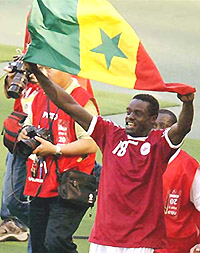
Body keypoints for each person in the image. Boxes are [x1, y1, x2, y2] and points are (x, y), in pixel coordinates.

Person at [24, 62, 194, 253]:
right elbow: (68, 104)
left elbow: (183, 128)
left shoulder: (159, 143)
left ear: (152, 119)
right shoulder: (111, 134)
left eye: (138, 114)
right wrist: (39, 74)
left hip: (140, 239)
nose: (130, 117)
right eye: (128, 111)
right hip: (105, 236)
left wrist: (187, 103)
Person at [18, 66, 98, 253]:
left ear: (66, 69)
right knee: (38, 245)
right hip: (40, 183)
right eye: (41, 69)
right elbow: (29, 125)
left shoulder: (81, 99)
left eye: (49, 69)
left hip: (70, 186)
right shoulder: (41, 95)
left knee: (56, 242)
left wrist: (55, 149)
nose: (43, 74)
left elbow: (92, 143)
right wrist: (24, 133)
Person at [0, 65, 40, 243]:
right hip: (20, 134)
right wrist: (13, 78)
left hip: (46, 133)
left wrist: (42, 77)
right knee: (12, 200)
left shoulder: (59, 54)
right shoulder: (29, 53)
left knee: (15, 201)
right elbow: (12, 92)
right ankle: (15, 223)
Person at [154, 109, 200, 253]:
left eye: (164, 127)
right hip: (143, 245)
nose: (159, 131)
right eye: (154, 126)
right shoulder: (139, 159)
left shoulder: (189, 167)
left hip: (178, 248)